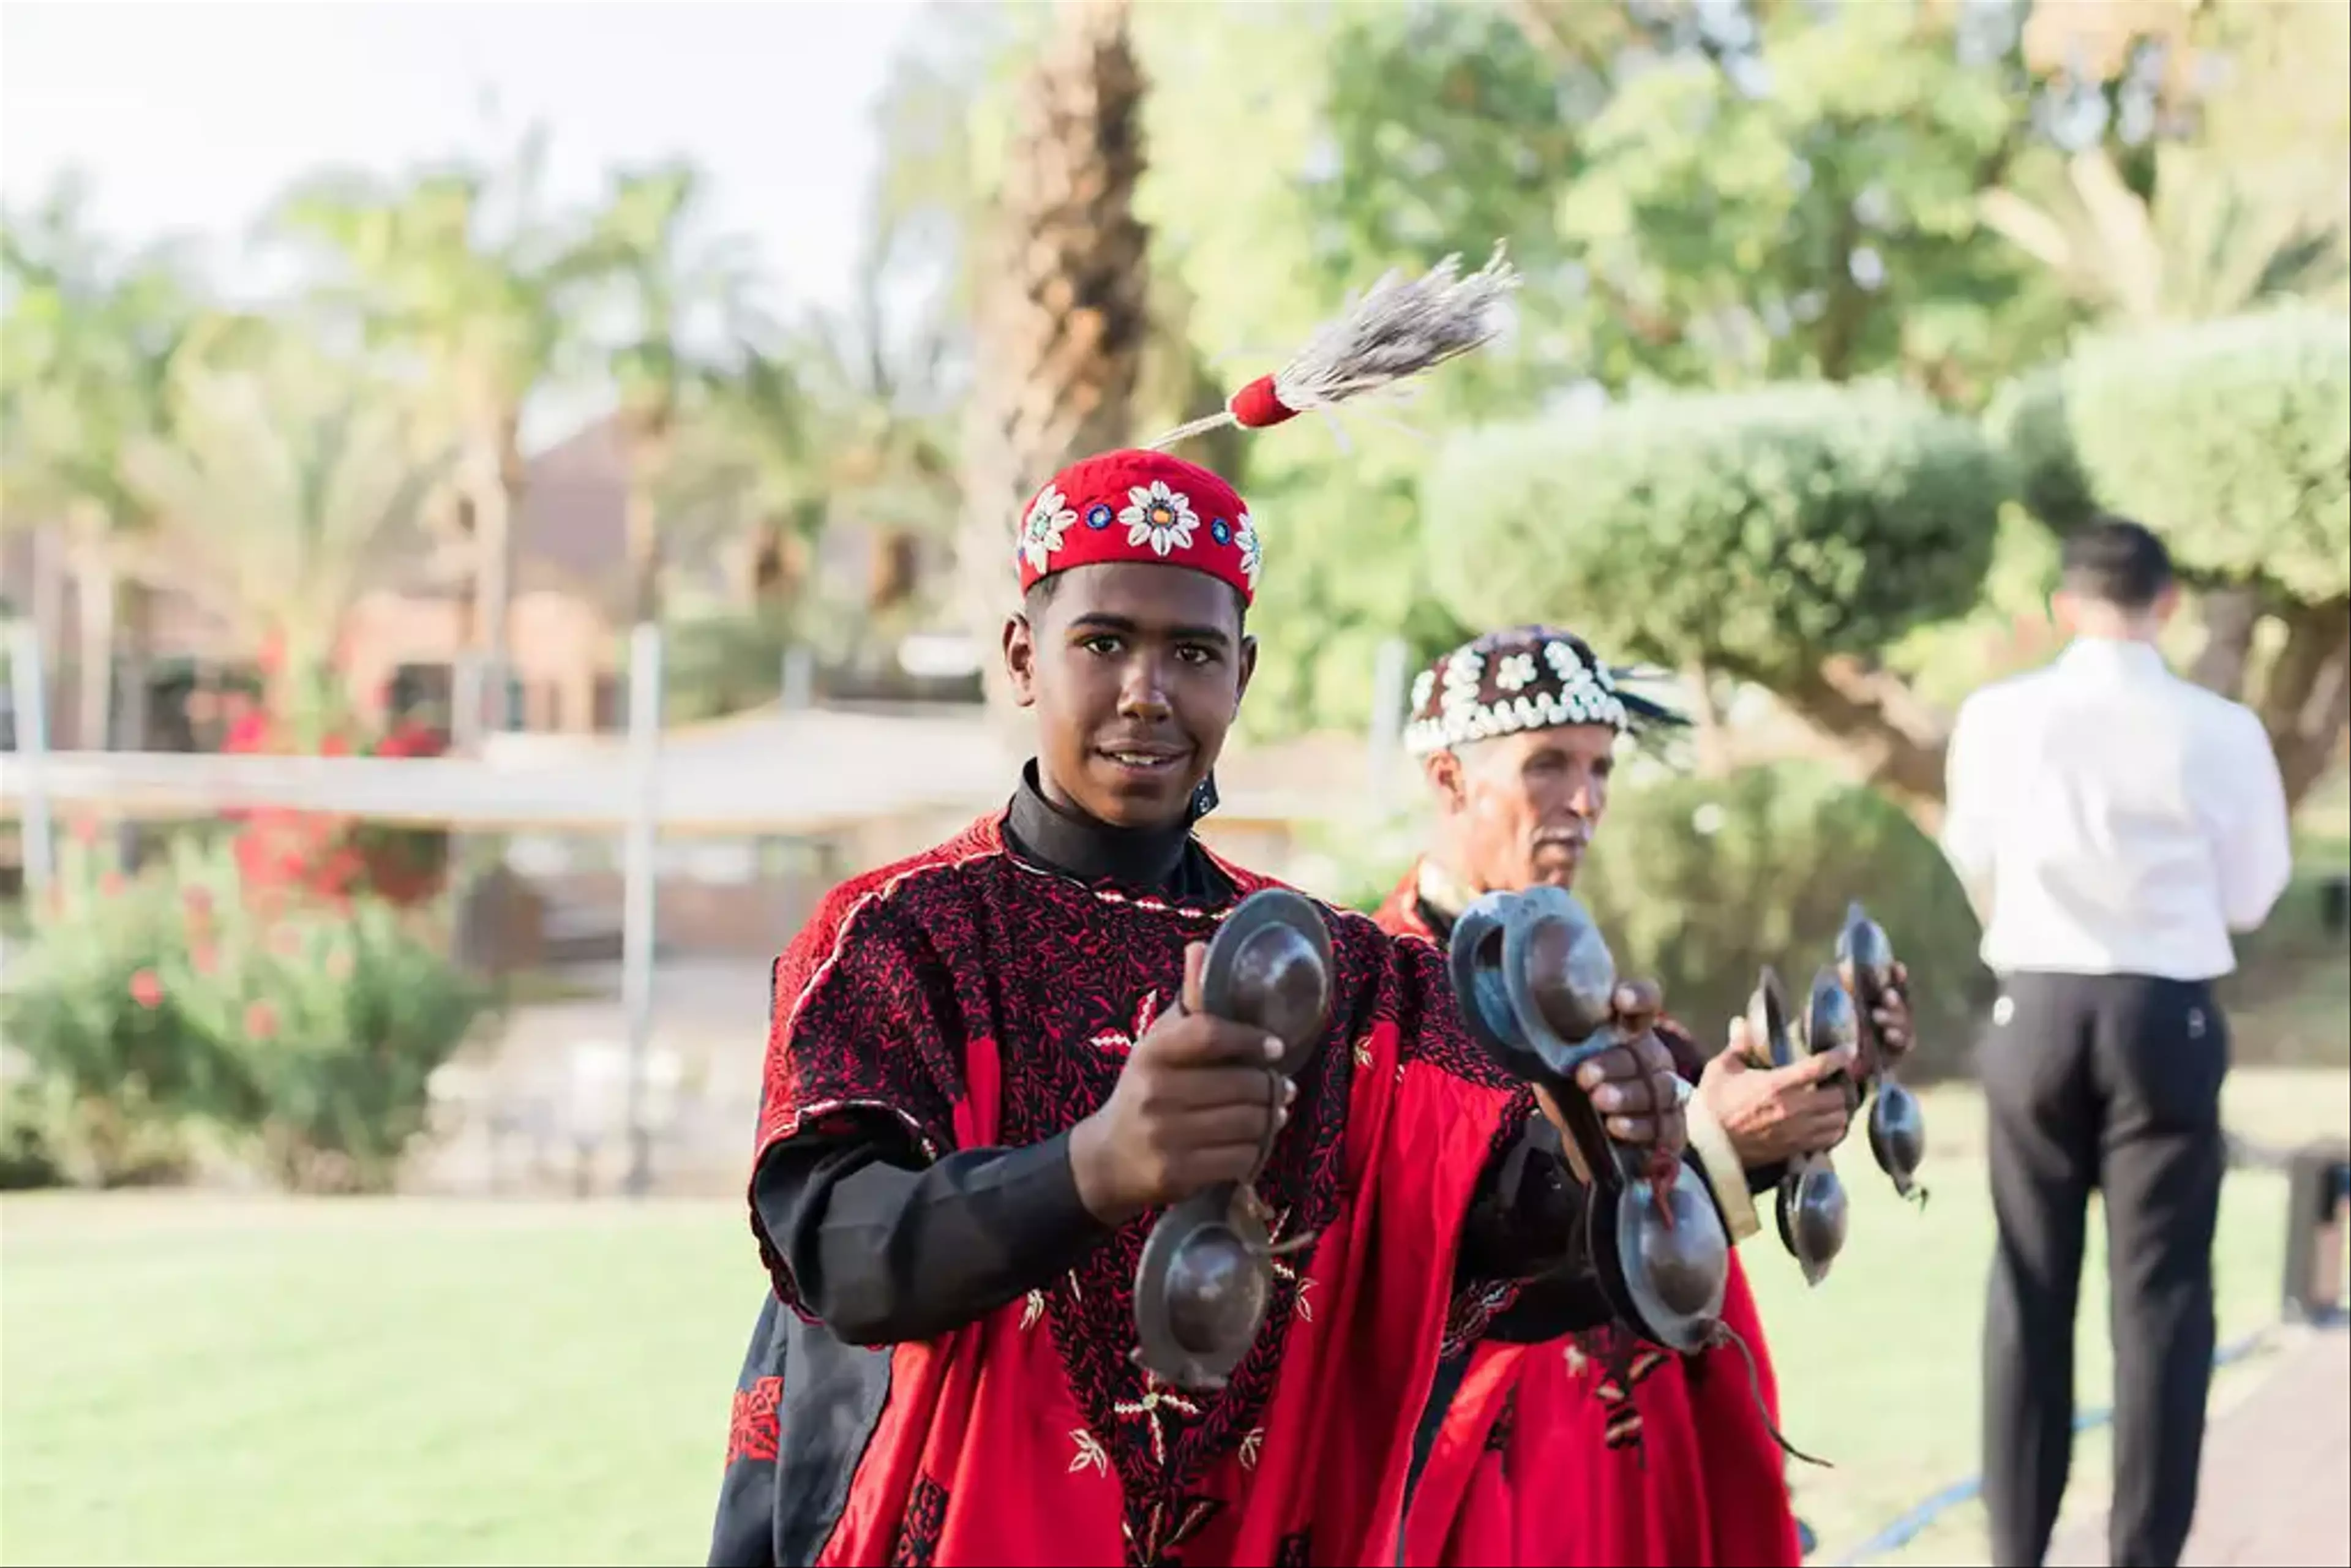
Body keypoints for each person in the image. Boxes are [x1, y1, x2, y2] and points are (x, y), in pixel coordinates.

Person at [703, 252, 1756, 1567]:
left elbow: (1472, 1253)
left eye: (1193, 651)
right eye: (1105, 642)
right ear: (1024, 654)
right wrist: (1096, 1166)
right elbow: (842, 1253)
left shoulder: (1356, 975)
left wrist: (1609, 1138)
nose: (1149, 690)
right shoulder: (898, 938)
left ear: (1242, 673)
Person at [1378, 625, 1916, 1568]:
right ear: (1449, 781)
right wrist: (1711, 1146)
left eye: (1601, 769)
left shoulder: (1606, 1006)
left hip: (1636, 1463)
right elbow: (1438, 1258)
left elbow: (1696, 1183)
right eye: (1548, 765)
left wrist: (1827, 1080)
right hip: (1480, 1489)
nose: (1583, 802)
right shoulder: (1384, 1005)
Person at [1943, 517, 2293, 1568]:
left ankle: (2018, 1550)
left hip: (2037, 1002)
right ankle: (2143, 1554)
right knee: (2164, 1298)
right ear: (2169, 602)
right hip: (2165, 1011)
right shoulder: (2220, 729)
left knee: (2029, 1285)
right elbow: (2251, 894)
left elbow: (1974, 857)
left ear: (2063, 603)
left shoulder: (2000, 714)